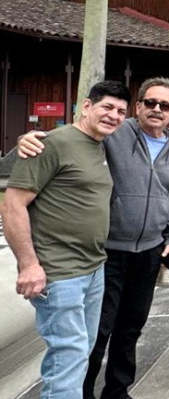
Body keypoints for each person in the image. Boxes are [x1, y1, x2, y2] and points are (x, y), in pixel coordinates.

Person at [17, 78, 169, 399]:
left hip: (150, 250)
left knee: (131, 327)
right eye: (150, 103)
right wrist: (28, 139)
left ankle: (117, 391)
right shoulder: (116, 131)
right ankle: (82, 392)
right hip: (109, 251)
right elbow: (71, 139)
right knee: (97, 331)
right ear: (138, 107)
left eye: (164, 106)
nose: (156, 110)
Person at [2, 80, 131, 399]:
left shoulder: (99, 144)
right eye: (107, 107)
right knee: (69, 360)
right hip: (60, 273)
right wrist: (30, 265)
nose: (114, 115)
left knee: (78, 353)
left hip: (93, 268)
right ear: (86, 106)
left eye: (121, 111)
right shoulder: (53, 143)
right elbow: (13, 204)